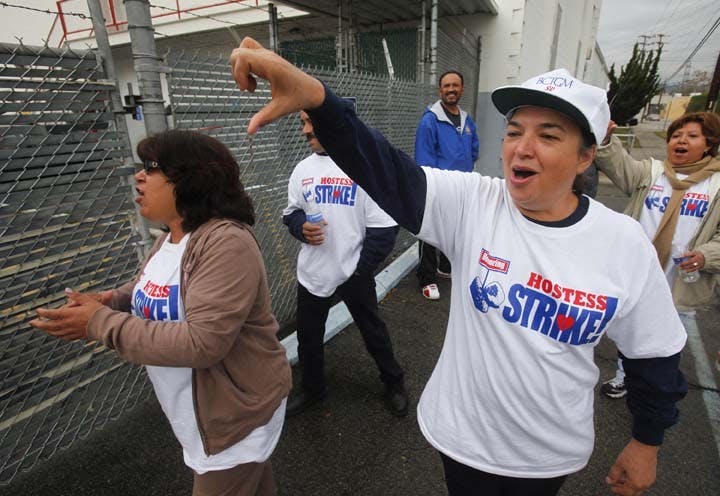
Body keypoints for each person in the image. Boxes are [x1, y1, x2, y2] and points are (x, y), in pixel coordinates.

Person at [230, 38, 688, 496]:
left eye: (548, 135)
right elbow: (388, 171)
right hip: (463, 440)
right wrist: (319, 100)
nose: (522, 149)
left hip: (546, 456)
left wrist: (647, 442)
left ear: (586, 156)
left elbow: (655, 356)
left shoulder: (623, 243)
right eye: (514, 132)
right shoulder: (475, 202)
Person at [30, 129, 291, 496]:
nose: (139, 176)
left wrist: (98, 323)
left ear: (191, 180)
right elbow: (155, 288)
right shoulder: (170, 237)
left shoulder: (226, 243)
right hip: (204, 415)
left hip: (235, 419)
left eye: (151, 168)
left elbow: (204, 343)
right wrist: (113, 300)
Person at [281, 110, 408, 418]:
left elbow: (384, 229)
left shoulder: (362, 167)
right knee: (308, 338)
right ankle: (313, 388)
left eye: (310, 122)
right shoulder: (302, 170)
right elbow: (292, 212)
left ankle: (394, 383)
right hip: (312, 273)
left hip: (354, 271)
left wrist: (360, 270)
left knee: (372, 332)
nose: (305, 131)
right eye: (302, 123)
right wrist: (300, 227)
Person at [596, 111, 720, 399]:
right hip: (641, 271)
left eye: (691, 136)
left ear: (709, 144)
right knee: (631, 329)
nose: (681, 140)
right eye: (676, 135)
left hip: (682, 278)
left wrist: (705, 256)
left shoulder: (715, 186)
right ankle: (624, 377)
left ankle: (656, 389)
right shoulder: (652, 173)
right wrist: (606, 140)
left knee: (664, 340)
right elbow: (620, 167)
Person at [414, 70, 479, 300]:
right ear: (440, 90)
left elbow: (474, 150)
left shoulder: (466, 119)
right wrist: (432, 188)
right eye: (446, 86)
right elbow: (424, 158)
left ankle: (443, 267)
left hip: (461, 188)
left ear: (462, 88)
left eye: (455, 85)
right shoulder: (430, 120)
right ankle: (426, 278)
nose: (451, 89)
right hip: (438, 187)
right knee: (431, 233)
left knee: (452, 231)